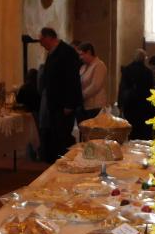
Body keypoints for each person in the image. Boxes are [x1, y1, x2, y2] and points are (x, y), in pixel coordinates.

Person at [36, 27, 82, 162]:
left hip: (64, 105)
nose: (41, 44)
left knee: (63, 136)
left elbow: (72, 80)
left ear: (49, 37)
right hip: (54, 103)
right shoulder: (52, 53)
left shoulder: (67, 52)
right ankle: (57, 162)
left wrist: (69, 104)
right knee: (55, 135)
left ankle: (66, 163)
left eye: (42, 40)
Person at [118, 49, 155, 140]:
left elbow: (122, 87)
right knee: (143, 131)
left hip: (130, 104)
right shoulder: (148, 72)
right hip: (144, 106)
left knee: (131, 130)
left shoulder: (127, 70)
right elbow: (151, 90)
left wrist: (120, 104)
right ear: (144, 59)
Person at [76, 42, 108, 122]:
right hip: (84, 105)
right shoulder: (83, 67)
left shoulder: (99, 65)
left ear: (89, 52)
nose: (80, 57)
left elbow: (95, 86)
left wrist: (81, 96)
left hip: (95, 106)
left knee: (93, 128)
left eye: (82, 54)